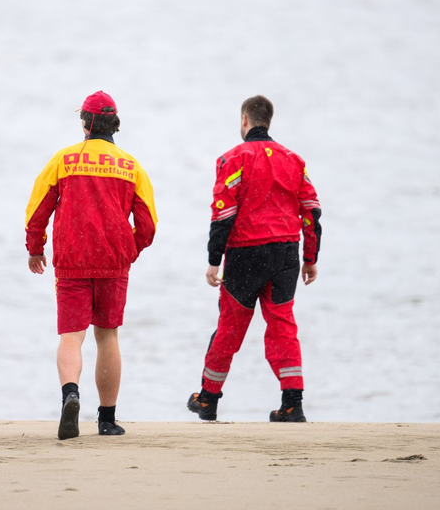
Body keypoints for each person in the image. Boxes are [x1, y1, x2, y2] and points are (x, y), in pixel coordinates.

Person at [25, 91, 157, 440]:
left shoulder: (63, 160)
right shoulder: (132, 166)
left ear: (85, 124)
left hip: (72, 260)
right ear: (114, 125)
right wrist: (129, 250)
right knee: (108, 335)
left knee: (72, 335)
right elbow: (148, 224)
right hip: (113, 262)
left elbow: (38, 207)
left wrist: (35, 248)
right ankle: (106, 420)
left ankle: (71, 394)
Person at [187, 95, 322, 423]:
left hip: (246, 253)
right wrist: (310, 257)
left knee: (230, 326)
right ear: (268, 121)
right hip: (286, 252)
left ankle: (208, 399)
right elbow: (312, 211)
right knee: (282, 325)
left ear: (244, 121)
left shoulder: (233, 159)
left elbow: (223, 213)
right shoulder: (294, 160)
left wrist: (213, 260)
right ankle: (292, 403)